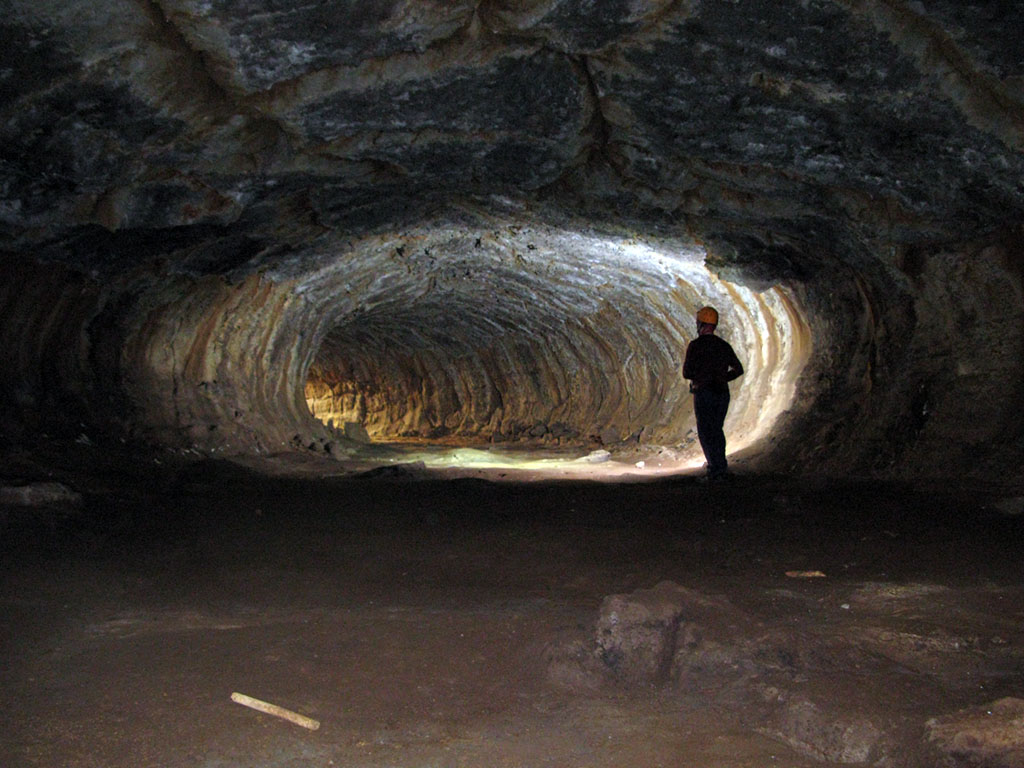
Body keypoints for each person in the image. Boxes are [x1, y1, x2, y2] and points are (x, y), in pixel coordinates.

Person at [683, 306, 744, 480]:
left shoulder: (695, 346)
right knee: (717, 429)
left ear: (701, 324)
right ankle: (720, 466)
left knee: (705, 430)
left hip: (704, 392)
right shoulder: (723, 346)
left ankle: (714, 469)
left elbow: (687, 373)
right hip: (721, 392)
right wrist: (723, 378)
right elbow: (739, 369)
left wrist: (701, 377)